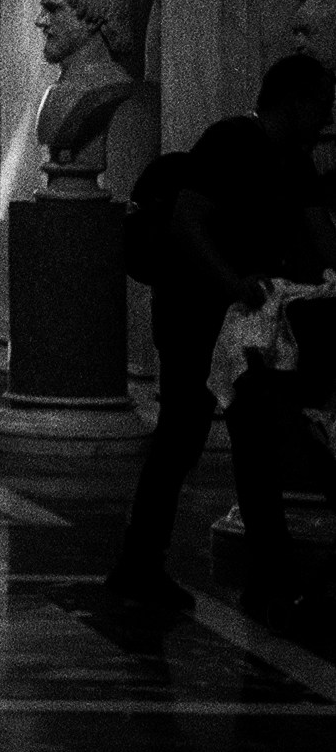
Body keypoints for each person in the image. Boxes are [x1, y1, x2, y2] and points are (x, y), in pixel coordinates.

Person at [103, 54, 336, 623]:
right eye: (322, 105)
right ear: (295, 101)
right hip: (193, 312)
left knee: (254, 441)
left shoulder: (296, 161)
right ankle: (143, 564)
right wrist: (234, 283)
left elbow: (317, 232)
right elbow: (188, 222)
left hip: (242, 321)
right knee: (183, 434)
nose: (327, 119)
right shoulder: (231, 143)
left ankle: (269, 578)